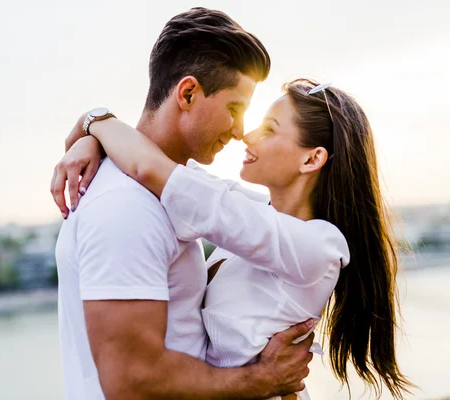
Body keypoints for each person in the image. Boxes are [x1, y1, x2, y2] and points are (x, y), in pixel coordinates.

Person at [52, 79, 414, 399]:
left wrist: (95, 122)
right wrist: (91, 140)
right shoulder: (253, 212)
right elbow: (156, 163)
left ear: (312, 158)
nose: (248, 135)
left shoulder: (318, 247)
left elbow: (156, 170)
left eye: (269, 130)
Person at [52, 7, 316, 400]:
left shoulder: (168, 192)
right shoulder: (126, 208)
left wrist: (94, 124)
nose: (240, 131)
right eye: (234, 109)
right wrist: (262, 380)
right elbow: (131, 381)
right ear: (188, 93)